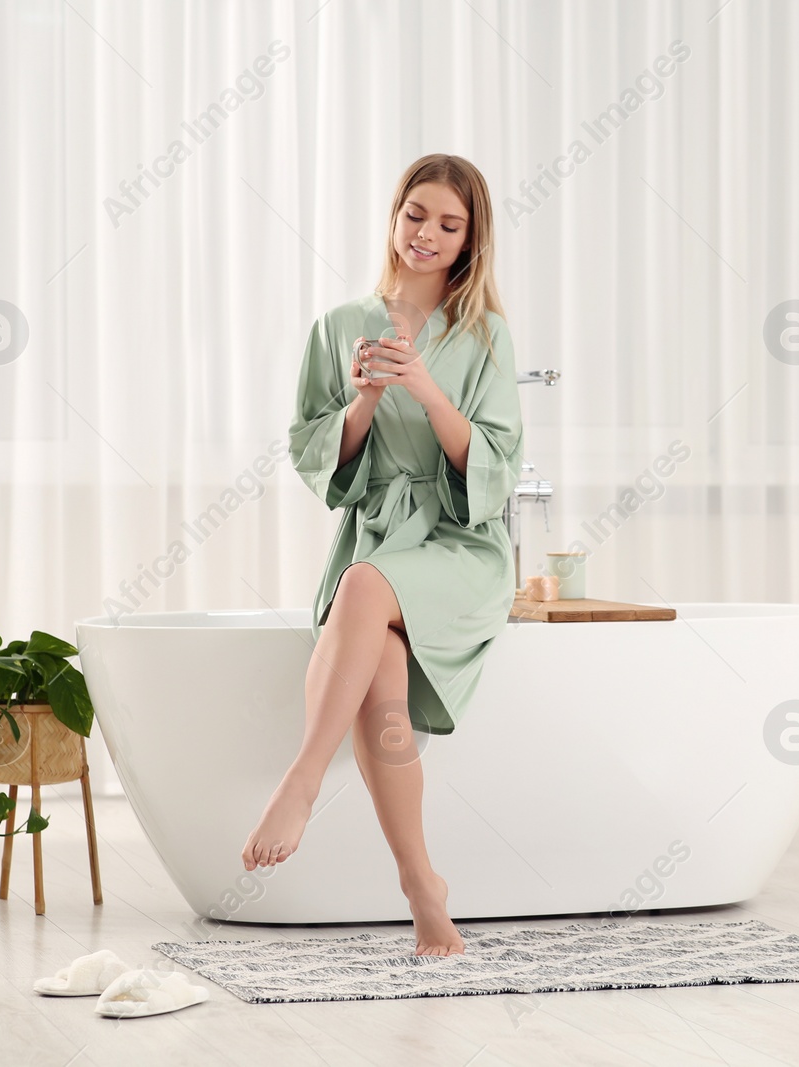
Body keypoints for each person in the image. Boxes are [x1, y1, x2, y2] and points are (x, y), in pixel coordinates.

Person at [240, 154, 525, 957]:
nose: (427, 234)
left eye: (449, 223)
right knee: (382, 685)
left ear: (471, 240)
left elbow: (495, 463)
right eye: (416, 214)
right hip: (377, 535)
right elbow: (314, 451)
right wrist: (365, 395)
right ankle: (422, 886)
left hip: (459, 544)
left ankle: (301, 779)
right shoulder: (338, 326)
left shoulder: (486, 334)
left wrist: (427, 388)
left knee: (365, 588)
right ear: (394, 215)